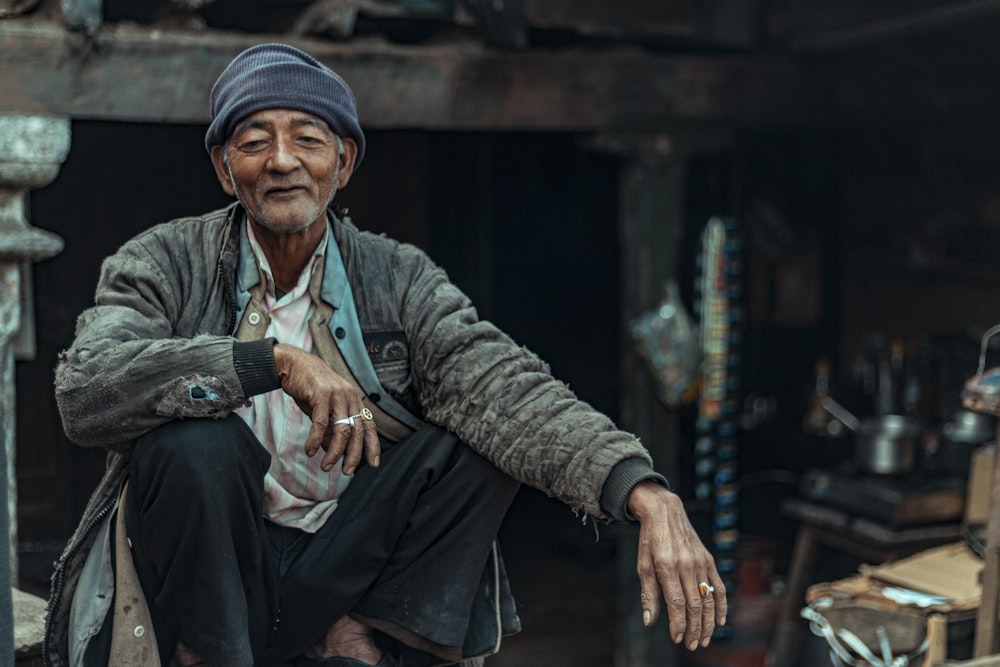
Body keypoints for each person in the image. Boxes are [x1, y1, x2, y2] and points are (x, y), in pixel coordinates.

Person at [43, 43, 726, 667]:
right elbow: (86, 389)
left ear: (343, 161)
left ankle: (360, 636)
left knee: (479, 439)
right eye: (255, 143)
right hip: (218, 572)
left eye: (307, 140)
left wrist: (645, 491)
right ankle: (213, 650)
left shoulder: (396, 277)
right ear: (226, 170)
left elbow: (506, 388)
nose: (281, 160)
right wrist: (271, 361)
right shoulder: (163, 260)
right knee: (192, 449)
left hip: (338, 563)